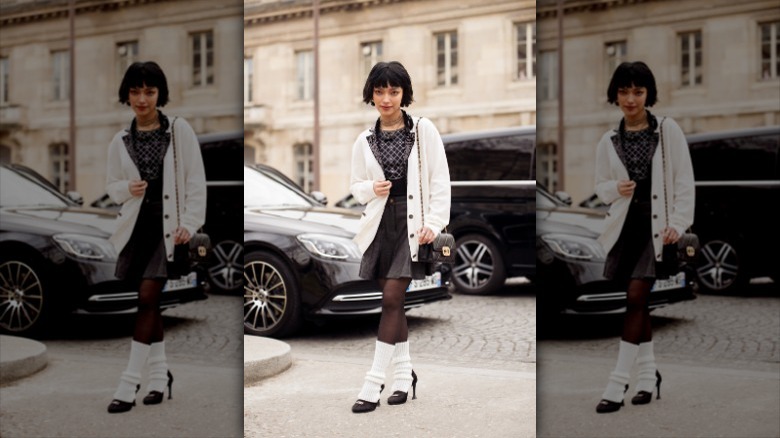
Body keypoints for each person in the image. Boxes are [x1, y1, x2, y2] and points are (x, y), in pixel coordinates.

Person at [349, 61, 451, 413]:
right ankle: (405, 376)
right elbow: (355, 187)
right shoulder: (364, 139)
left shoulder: (423, 130)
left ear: (404, 93)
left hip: (412, 226)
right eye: (380, 91)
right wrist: (370, 188)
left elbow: (439, 181)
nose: (386, 98)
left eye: (393, 91)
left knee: (392, 299)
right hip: (381, 226)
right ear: (371, 94)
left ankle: (373, 381)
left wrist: (434, 224)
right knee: (395, 302)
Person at [593, 61, 695, 413]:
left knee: (636, 297)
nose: (630, 98)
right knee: (640, 302)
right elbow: (600, 188)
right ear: (615, 94)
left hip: (657, 232)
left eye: (638, 91)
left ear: (648, 94)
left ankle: (617, 382)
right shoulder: (609, 139)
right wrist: (615, 188)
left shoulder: (667, 131)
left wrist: (678, 224)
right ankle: (650, 378)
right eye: (624, 91)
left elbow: (684, 182)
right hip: (626, 230)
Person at [105, 61, 206, 413]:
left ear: (160, 94)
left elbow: (195, 182)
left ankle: (129, 381)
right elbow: (111, 187)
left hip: (168, 231)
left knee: (147, 298)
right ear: (127, 94)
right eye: (135, 91)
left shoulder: (178, 131)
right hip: (137, 230)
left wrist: (190, 224)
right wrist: (126, 188)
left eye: (149, 91)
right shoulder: (120, 139)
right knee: (151, 303)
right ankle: (161, 377)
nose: (142, 98)